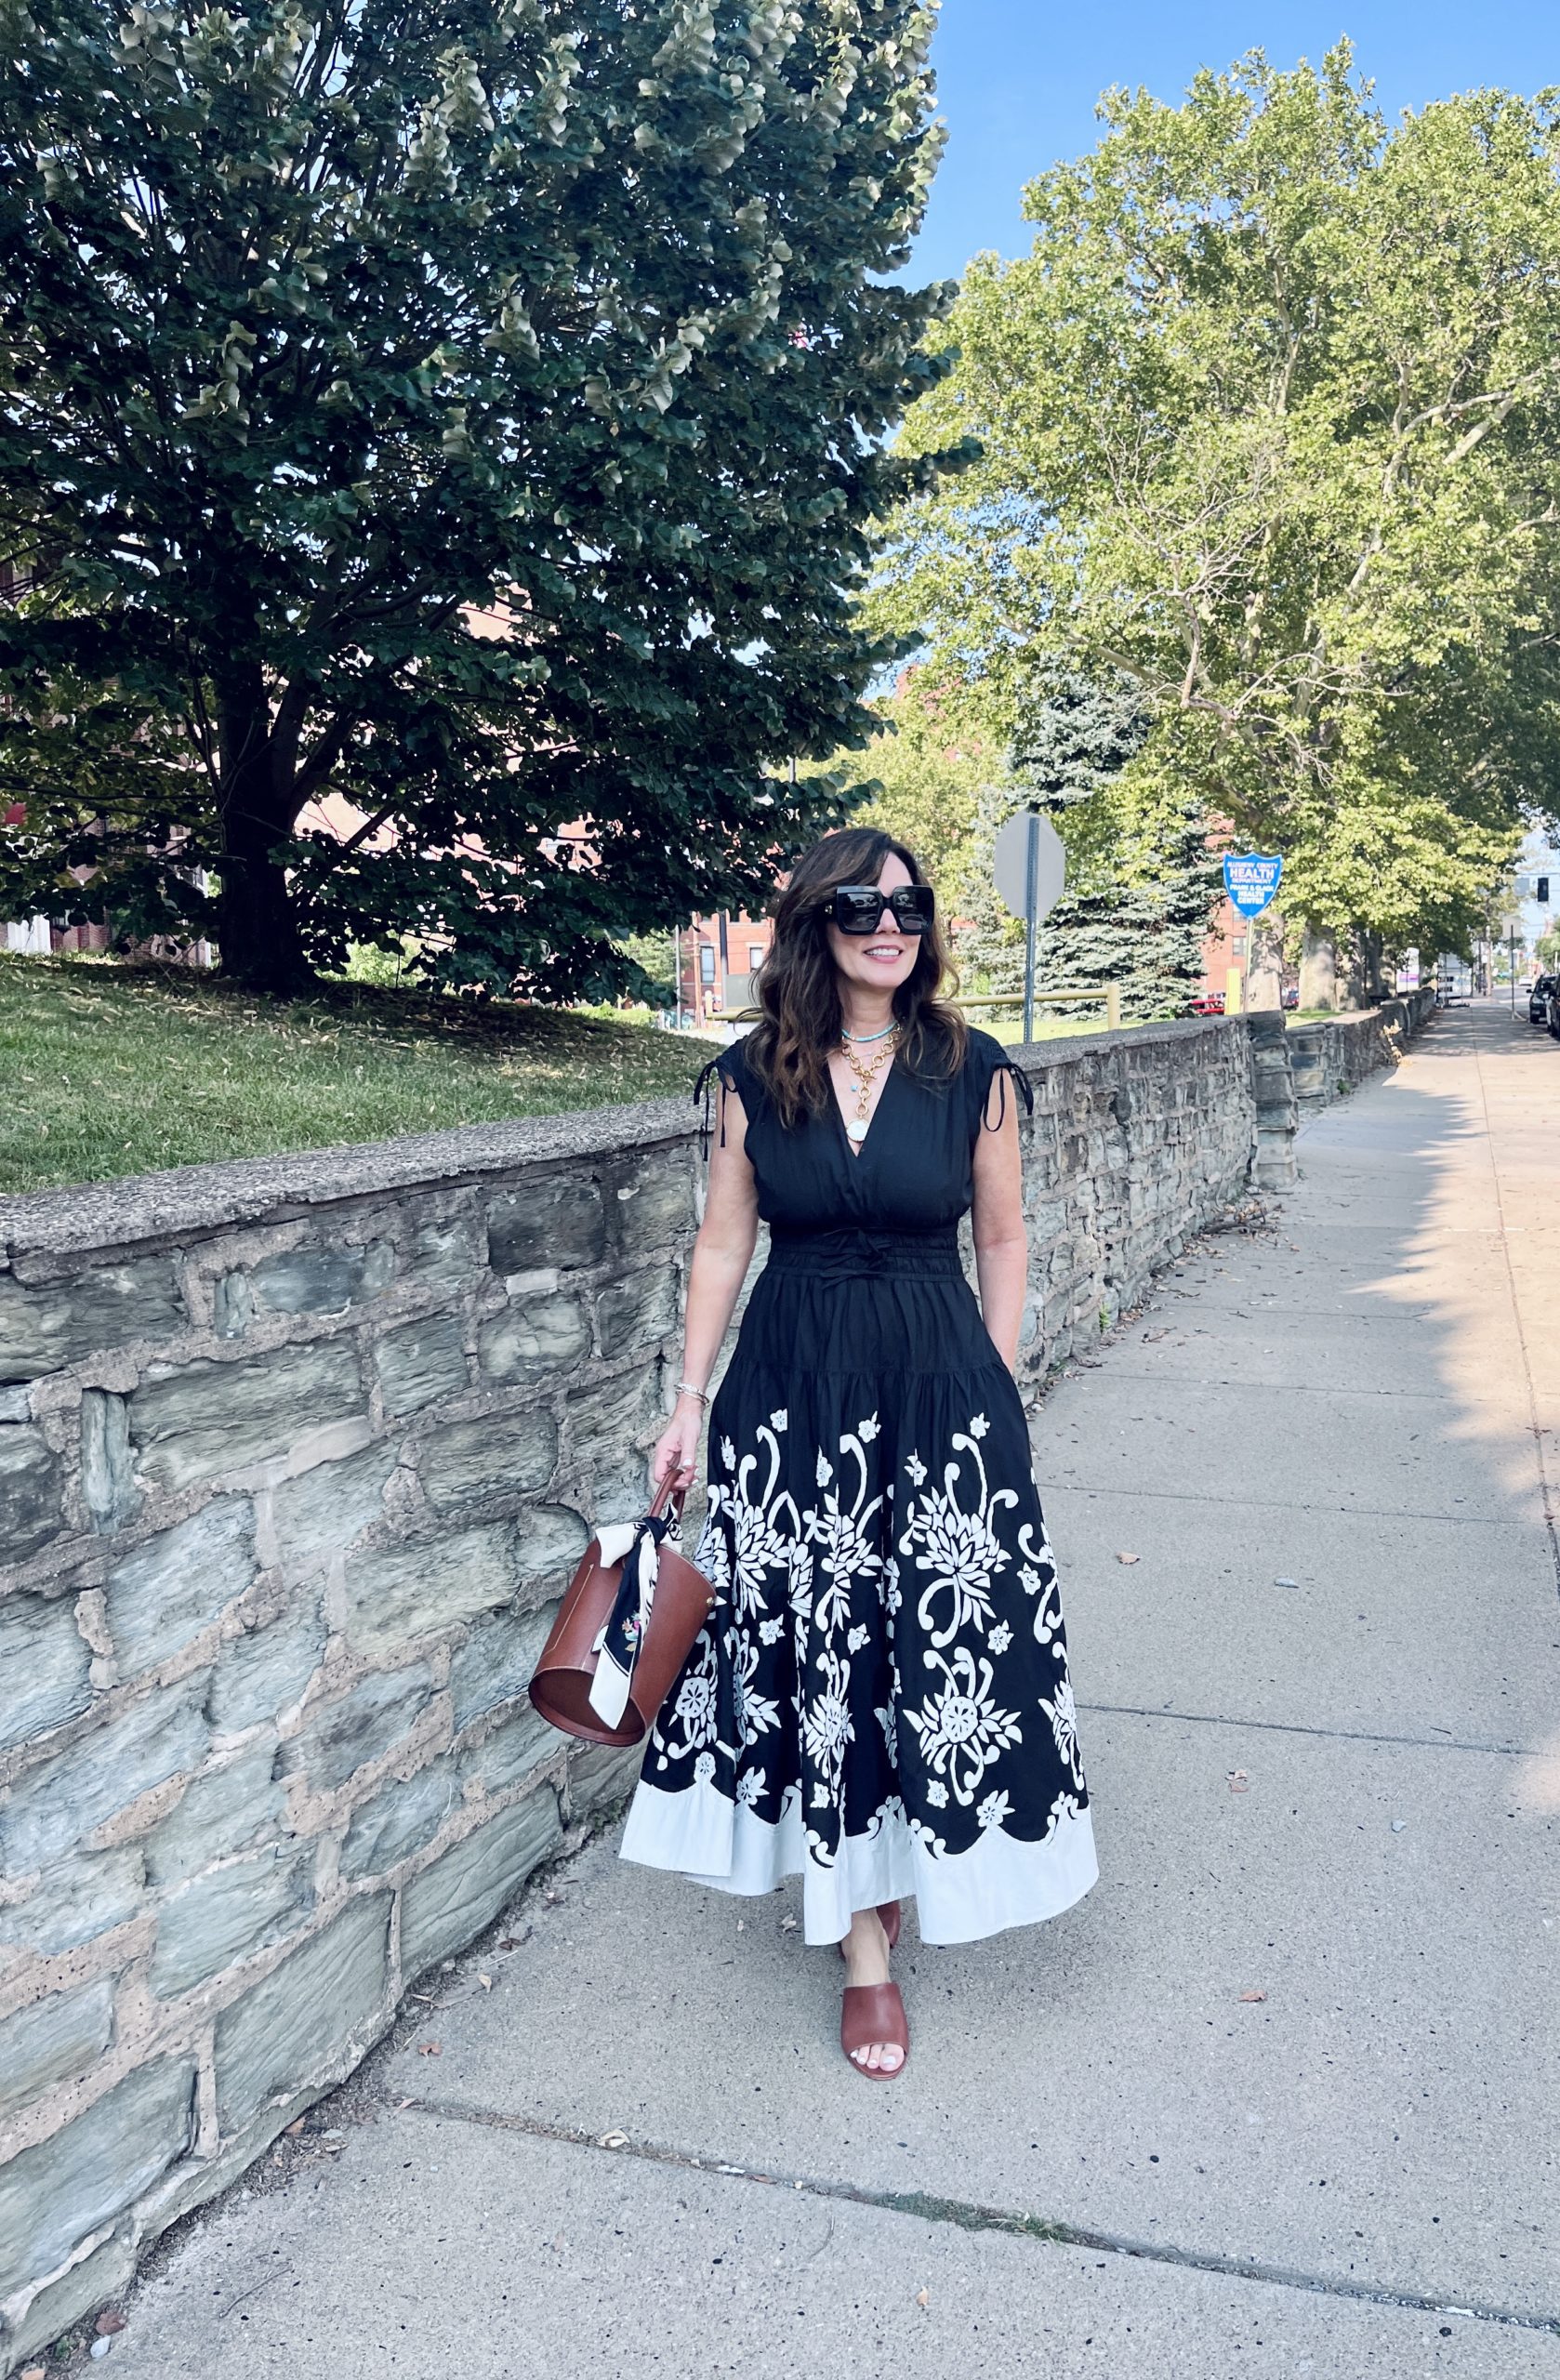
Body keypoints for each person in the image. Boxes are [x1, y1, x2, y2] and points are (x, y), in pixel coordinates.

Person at [619, 827, 1097, 2079]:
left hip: (939, 1382)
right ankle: (862, 1945)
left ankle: (925, 1864)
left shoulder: (970, 1069)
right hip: (792, 1389)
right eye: (858, 904)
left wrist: (995, 1376)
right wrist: (687, 1401)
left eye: (908, 905)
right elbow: (722, 1246)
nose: (889, 923)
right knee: (820, 1639)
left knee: (930, 1636)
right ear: (809, 925)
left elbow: (1001, 1239)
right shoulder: (747, 1077)